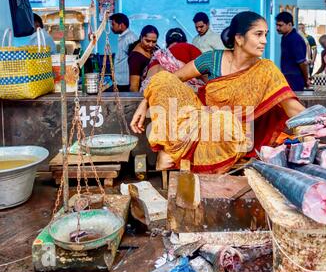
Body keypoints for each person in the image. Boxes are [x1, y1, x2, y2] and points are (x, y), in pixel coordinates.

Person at [130, 11, 305, 174]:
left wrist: (319, 125)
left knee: (224, 120)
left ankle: (174, 152)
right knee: (162, 79)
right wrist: (145, 102)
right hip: (202, 124)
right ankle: (171, 149)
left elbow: (292, 107)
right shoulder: (213, 59)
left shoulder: (266, 69)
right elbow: (171, 80)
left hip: (230, 137)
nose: (264, 40)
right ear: (239, 38)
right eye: (258, 34)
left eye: (265, 34)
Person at [141, 28, 203, 92]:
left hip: (148, 90)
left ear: (167, 43)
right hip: (169, 92)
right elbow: (206, 70)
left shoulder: (158, 56)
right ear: (185, 41)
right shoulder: (189, 47)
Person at [276, 12, 310, 91]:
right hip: (287, 77)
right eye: (277, 25)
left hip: (295, 79)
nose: (277, 28)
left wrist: (306, 80)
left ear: (290, 24)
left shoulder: (295, 39)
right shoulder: (285, 37)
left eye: (280, 25)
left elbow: (302, 63)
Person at [109, 13, 137, 91]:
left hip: (125, 81)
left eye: (113, 24)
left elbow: (134, 60)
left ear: (121, 25)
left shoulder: (130, 38)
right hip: (120, 80)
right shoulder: (123, 37)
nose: (112, 27)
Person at [127, 25, 159, 92]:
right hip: (143, 94)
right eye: (147, 41)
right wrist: (137, 101)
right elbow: (134, 85)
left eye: (154, 42)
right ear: (141, 37)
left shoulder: (155, 49)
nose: (150, 44)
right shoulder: (136, 57)